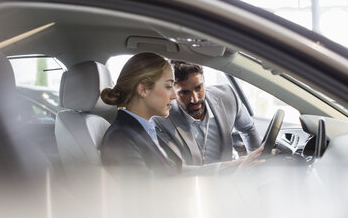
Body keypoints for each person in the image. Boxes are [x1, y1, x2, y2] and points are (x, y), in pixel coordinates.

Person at [100, 52, 263, 178]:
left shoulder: (140, 129)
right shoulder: (121, 138)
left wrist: (236, 166)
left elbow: (175, 171)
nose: (173, 96)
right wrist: (234, 176)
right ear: (143, 90)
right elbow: (148, 200)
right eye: (168, 87)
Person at [153, 61, 261, 166]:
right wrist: (231, 166)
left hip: (230, 179)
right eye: (184, 92)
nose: (194, 99)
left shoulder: (227, 96)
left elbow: (248, 129)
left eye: (198, 88)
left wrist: (254, 163)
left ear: (204, 80)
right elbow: (179, 168)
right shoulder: (161, 119)